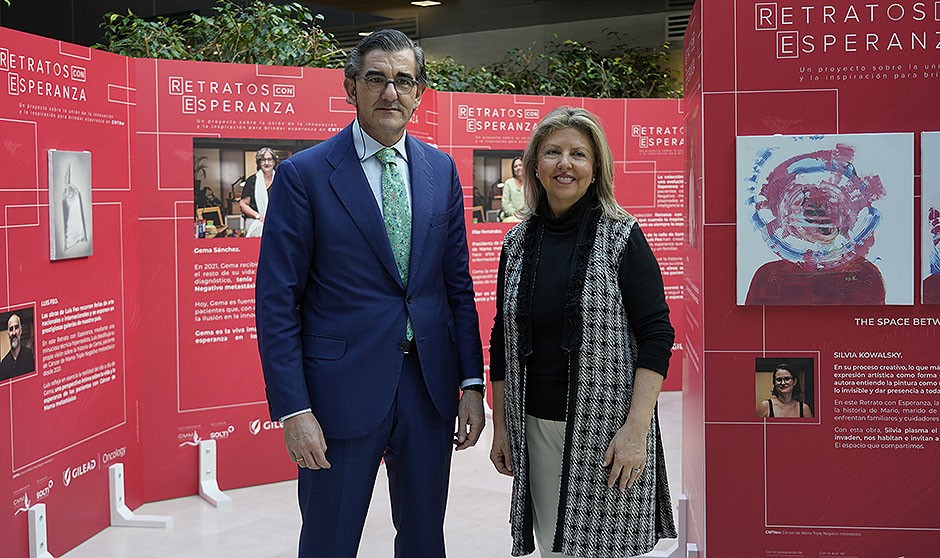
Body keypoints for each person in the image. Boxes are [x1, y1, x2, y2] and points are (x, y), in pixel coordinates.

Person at [255, 29, 485, 558]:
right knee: (329, 543)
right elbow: (276, 302)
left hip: (428, 390)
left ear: (420, 92)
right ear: (350, 87)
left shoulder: (441, 170)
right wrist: (293, 409)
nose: (390, 92)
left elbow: (457, 286)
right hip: (338, 396)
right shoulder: (304, 175)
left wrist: (471, 383)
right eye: (376, 78)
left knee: (425, 542)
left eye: (404, 80)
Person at [488, 106, 677, 558]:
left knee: (603, 549)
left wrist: (636, 431)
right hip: (535, 427)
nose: (565, 164)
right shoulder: (516, 243)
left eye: (578, 154)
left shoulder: (621, 237)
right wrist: (502, 427)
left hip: (608, 432)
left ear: (595, 169)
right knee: (554, 548)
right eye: (553, 152)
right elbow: (501, 337)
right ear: (535, 165)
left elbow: (657, 334)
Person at [240, 147, 278, 237]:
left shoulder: (280, 179)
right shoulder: (251, 180)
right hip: (256, 220)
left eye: (269, 159)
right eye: (263, 160)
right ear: (259, 162)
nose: (267, 163)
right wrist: (258, 216)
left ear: (274, 162)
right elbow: (243, 204)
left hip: (276, 220)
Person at [1, 314, 35, 381]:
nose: (14, 333)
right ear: (8, 334)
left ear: (20, 331)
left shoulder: (29, 354)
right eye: (11, 329)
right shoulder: (3, 364)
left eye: (16, 328)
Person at [500, 156, 527, 222]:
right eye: (515, 166)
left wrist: (524, 214)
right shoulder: (508, 183)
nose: (518, 168)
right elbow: (505, 204)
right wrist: (516, 214)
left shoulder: (529, 183)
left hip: (526, 216)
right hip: (511, 216)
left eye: (520, 165)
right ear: (513, 169)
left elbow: (532, 203)